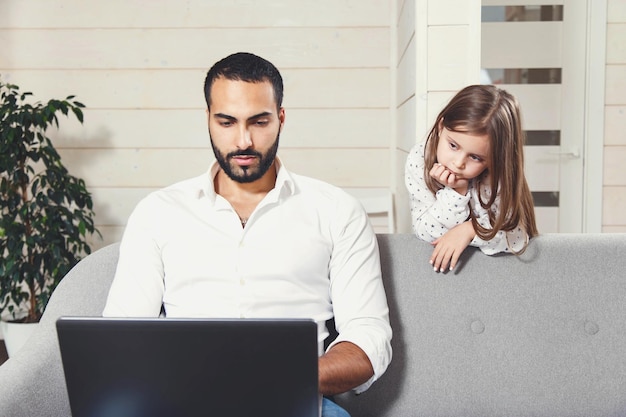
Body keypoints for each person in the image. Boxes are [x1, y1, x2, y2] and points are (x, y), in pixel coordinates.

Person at [102, 52, 392, 417]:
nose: (243, 141)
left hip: (298, 403)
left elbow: (369, 338)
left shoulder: (338, 211)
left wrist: (278, 375)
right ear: (207, 119)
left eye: (259, 122)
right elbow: (120, 337)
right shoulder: (158, 213)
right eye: (226, 122)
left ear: (281, 119)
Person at [404, 84, 538, 273]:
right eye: (453, 145)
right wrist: (456, 193)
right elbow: (425, 232)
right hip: (441, 273)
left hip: (494, 273)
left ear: (494, 159)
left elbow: (516, 237)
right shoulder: (420, 158)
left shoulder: (498, 174)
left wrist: (469, 230)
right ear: (441, 127)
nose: (458, 163)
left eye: (475, 157)